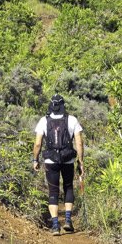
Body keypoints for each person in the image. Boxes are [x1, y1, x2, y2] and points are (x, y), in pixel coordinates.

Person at [32, 94, 85, 235]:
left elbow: (38, 143)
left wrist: (35, 160)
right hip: (68, 159)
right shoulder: (72, 119)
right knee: (68, 188)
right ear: (63, 105)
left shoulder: (44, 120)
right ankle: (68, 220)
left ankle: (55, 225)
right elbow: (79, 143)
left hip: (51, 161)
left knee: (53, 191)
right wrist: (81, 162)